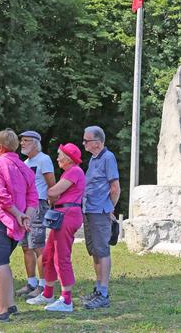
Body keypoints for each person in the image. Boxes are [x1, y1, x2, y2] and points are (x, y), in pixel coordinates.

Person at [0, 129, 37, 322]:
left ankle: (1, 309)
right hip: (16, 223)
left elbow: (0, 194)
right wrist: (26, 217)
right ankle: (10, 304)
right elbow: (33, 198)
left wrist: (18, 214)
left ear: (0, 147)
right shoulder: (25, 167)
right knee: (4, 263)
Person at [26, 143, 86, 312]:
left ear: (68, 158)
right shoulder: (68, 172)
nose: (57, 158)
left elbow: (52, 193)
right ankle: (47, 293)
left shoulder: (74, 171)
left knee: (61, 257)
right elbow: (53, 193)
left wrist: (54, 193)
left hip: (67, 215)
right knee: (48, 255)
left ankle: (66, 301)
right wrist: (55, 193)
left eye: (60, 155)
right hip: (61, 215)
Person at [81, 126, 120, 310]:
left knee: (102, 250)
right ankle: (98, 289)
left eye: (86, 140)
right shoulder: (93, 159)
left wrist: (109, 209)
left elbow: (115, 188)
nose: (84, 143)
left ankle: (103, 293)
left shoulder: (108, 157)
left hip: (100, 212)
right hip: (89, 210)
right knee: (95, 251)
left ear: (97, 143)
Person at [15, 130, 55, 298]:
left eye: (26, 141)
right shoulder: (25, 162)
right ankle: (31, 282)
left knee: (38, 246)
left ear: (36, 143)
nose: (22, 143)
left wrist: (51, 204)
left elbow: (51, 184)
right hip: (26, 206)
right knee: (26, 246)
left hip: (38, 205)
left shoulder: (44, 160)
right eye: (21, 140)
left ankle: (43, 284)